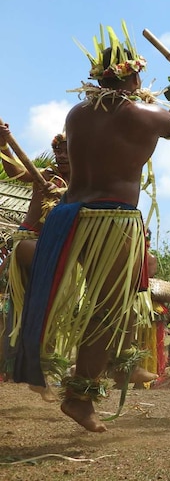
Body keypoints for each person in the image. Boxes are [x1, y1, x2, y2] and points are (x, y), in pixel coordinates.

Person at [13, 23, 170, 432]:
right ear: (133, 76)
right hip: (112, 221)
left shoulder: (76, 114)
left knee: (99, 304)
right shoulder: (144, 114)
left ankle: (102, 371)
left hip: (68, 218)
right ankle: (80, 395)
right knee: (109, 310)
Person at [0, 129, 70, 401]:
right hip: (31, 244)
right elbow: (17, 173)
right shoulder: (49, 175)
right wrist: (4, 145)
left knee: (48, 312)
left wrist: (64, 192)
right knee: (40, 308)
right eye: (58, 151)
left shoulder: (84, 180)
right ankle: (36, 370)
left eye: (67, 150)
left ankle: (41, 372)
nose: (61, 156)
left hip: (55, 250)